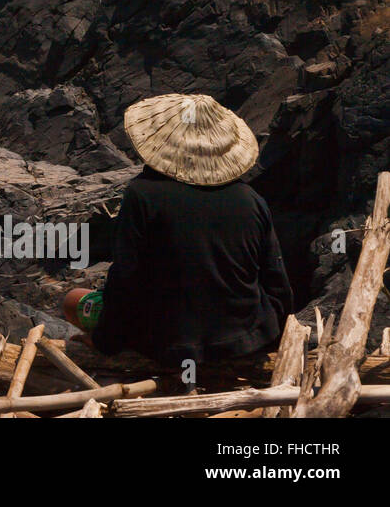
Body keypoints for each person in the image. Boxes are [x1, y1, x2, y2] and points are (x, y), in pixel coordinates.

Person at [63, 93, 292, 367]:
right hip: (243, 337)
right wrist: (271, 338)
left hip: (168, 341)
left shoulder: (142, 194)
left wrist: (104, 342)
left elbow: (125, 279)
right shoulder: (251, 199)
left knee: (72, 299)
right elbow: (277, 281)